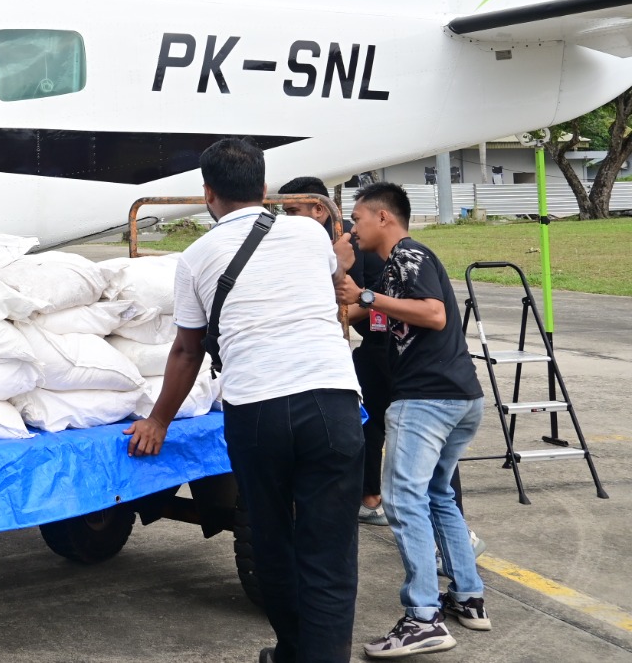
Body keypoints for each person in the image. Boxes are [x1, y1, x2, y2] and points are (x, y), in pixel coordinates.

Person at [128, 138, 361, 663]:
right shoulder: (308, 230)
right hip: (331, 401)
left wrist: (158, 421)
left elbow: (188, 351)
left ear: (207, 193)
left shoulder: (193, 259)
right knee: (330, 552)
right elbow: (332, 281)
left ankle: (292, 650)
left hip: (257, 410)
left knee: (274, 542)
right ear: (263, 188)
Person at [341, 182, 490, 658]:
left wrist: (365, 296)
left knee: (404, 502)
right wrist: (348, 296)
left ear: (384, 218)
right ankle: (467, 597)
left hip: (426, 400)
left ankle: (422, 617)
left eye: (358, 218)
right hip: (459, 397)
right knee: (436, 495)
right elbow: (378, 317)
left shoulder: (409, 255)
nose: (353, 226)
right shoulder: (391, 272)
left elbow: (434, 314)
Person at [278, 176, 390, 525]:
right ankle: (368, 495)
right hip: (364, 343)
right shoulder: (303, 245)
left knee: (383, 425)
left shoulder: (346, 245)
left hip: (388, 341)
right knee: (364, 422)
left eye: (293, 210)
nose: (287, 219)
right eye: (283, 212)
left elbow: (361, 305)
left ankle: (373, 498)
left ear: (319, 210)